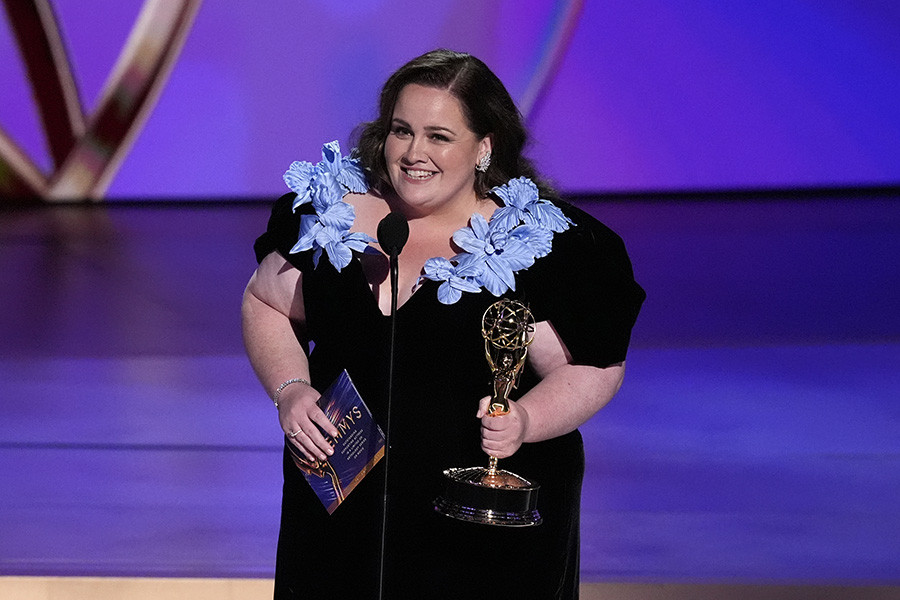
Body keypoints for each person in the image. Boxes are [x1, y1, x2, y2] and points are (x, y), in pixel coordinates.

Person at [241, 49, 645, 599]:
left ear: (485, 147)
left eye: (439, 136)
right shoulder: (333, 217)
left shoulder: (541, 248)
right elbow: (265, 301)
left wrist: (525, 418)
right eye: (402, 131)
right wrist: (289, 390)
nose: (413, 154)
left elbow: (593, 370)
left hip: (476, 529)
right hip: (342, 516)